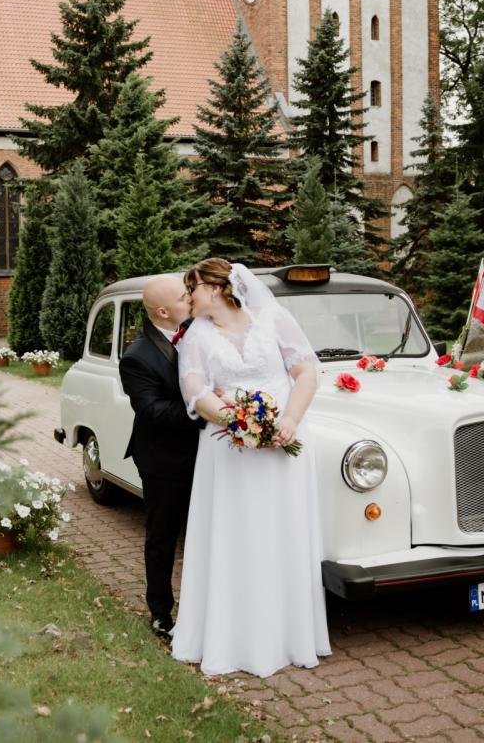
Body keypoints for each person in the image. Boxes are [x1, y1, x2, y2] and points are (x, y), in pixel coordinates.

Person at [171, 258, 331, 676]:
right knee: (236, 535)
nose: (188, 296)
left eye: (194, 287)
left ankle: (289, 636)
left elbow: (306, 373)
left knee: (280, 532)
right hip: (230, 452)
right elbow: (196, 392)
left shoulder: (273, 318)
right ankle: (234, 639)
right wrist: (241, 421)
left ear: (218, 288)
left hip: (284, 445)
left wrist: (289, 420)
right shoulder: (196, 337)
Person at [118, 274, 205, 641]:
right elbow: (153, 411)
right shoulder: (137, 357)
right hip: (164, 460)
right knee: (163, 537)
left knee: (205, 533)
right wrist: (206, 409)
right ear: (164, 311)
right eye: (187, 297)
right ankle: (160, 611)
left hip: (208, 455)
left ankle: (205, 606)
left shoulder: (201, 335)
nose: (193, 300)